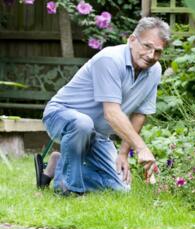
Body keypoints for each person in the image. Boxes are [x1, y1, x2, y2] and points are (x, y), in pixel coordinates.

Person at [35, 17, 171, 195]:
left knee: (120, 189)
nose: (151, 55)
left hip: (98, 134)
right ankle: (68, 189)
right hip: (61, 116)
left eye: (158, 51)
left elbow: (140, 113)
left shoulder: (154, 70)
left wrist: (123, 153)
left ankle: (59, 164)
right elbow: (111, 113)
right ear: (132, 40)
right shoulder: (110, 59)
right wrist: (141, 148)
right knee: (82, 123)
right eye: (147, 46)